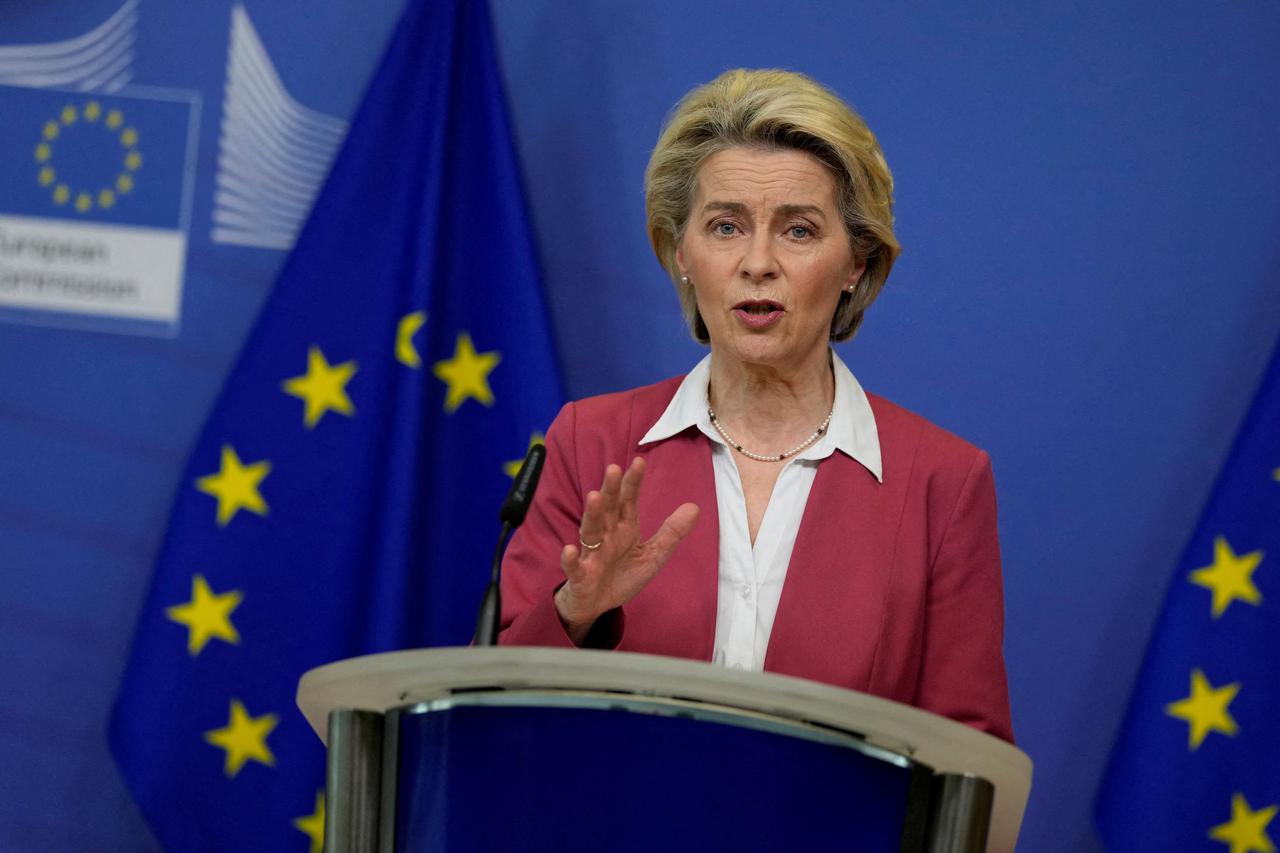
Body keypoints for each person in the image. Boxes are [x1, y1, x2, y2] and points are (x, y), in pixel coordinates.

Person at [498, 68, 1013, 743]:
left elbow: (965, 765)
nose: (758, 262)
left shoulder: (941, 481)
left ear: (856, 260)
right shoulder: (591, 443)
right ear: (680, 251)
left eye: (798, 231)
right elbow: (497, 709)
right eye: (725, 226)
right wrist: (577, 610)